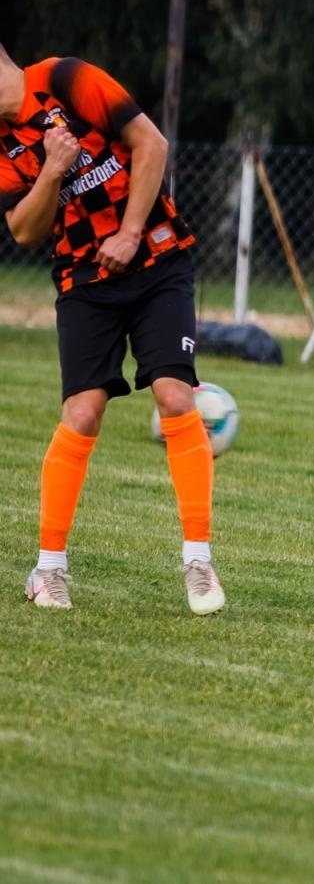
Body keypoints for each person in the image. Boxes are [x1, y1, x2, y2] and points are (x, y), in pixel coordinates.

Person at [0, 42, 226, 615]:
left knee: (175, 394)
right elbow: (25, 232)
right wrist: (52, 169)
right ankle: (49, 571)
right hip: (85, 279)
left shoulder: (67, 78)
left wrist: (128, 232)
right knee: (82, 412)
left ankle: (198, 562)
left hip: (156, 258)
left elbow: (151, 144)